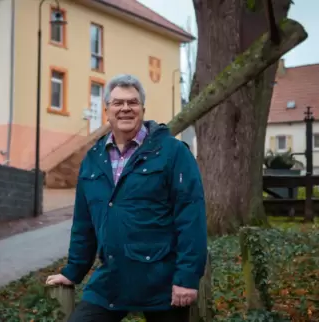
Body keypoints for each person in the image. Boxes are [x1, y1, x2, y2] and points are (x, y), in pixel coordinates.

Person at [46, 74, 207, 322]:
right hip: (111, 280)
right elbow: (83, 224)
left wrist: (186, 278)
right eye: (118, 103)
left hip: (162, 282)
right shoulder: (93, 160)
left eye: (132, 103)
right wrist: (73, 271)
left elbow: (190, 217)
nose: (125, 109)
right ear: (107, 110)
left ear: (142, 109)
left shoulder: (172, 153)